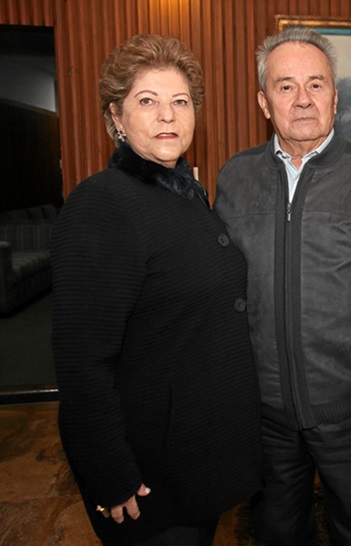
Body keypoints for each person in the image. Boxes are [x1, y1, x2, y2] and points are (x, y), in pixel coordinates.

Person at [50, 34, 262, 545]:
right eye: (148, 101)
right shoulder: (102, 204)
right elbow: (82, 362)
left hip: (196, 458)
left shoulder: (187, 194)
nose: (167, 115)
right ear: (117, 118)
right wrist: (109, 472)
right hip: (146, 478)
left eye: (180, 101)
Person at [213, 28, 351, 546]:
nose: (302, 100)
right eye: (285, 86)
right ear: (263, 101)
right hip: (264, 415)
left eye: (316, 85)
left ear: (335, 97)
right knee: (275, 535)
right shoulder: (235, 177)